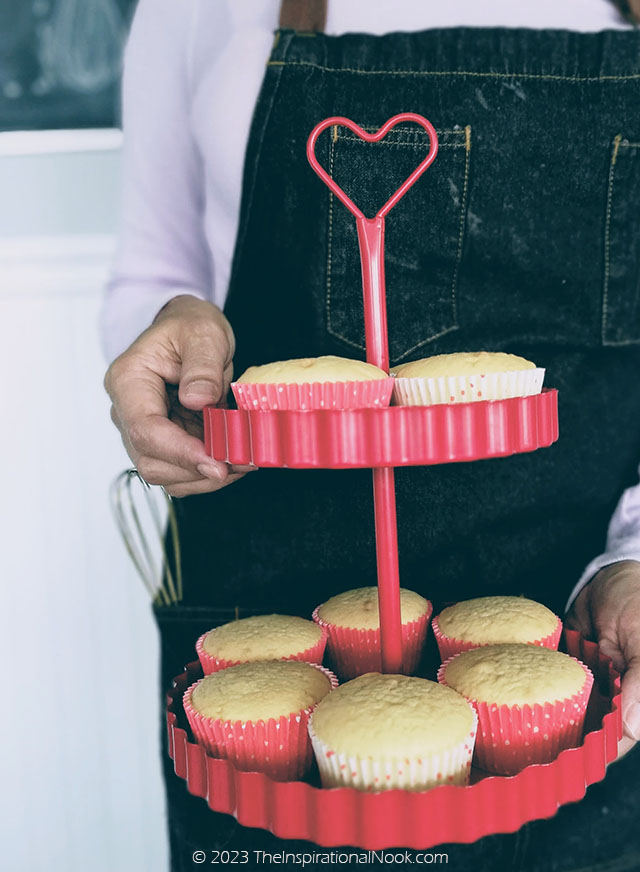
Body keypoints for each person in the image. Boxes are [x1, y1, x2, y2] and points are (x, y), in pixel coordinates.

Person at [103, 1, 640, 869]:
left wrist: (634, 556)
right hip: (267, 592)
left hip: (582, 623)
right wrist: (169, 348)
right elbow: (155, 269)